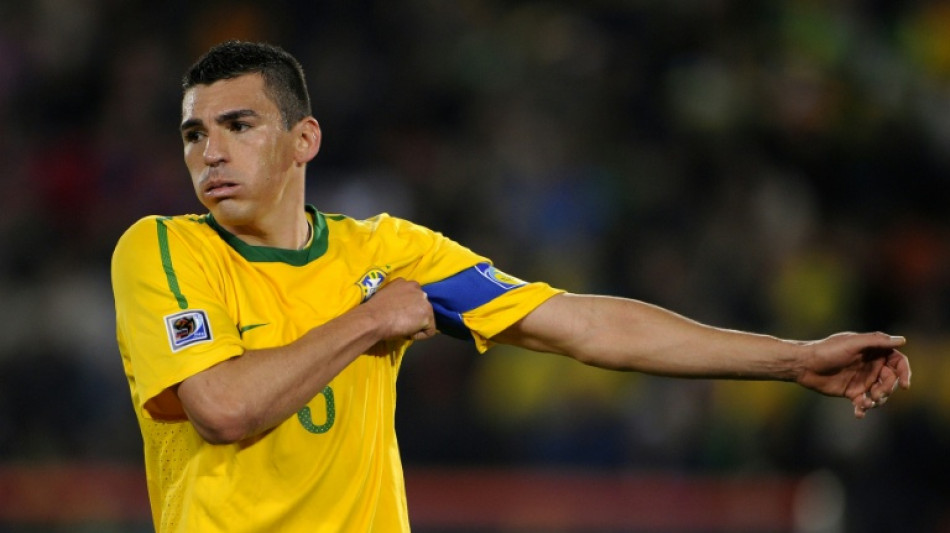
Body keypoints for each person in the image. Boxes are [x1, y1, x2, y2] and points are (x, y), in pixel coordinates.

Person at [111, 40, 911, 533]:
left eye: (238, 125)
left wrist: (793, 357)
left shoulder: (387, 250)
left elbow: (584, 325)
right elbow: (223, 407)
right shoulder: (163, 249)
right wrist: (370, 320)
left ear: (303, 138)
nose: (209, 153)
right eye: (193, 133)